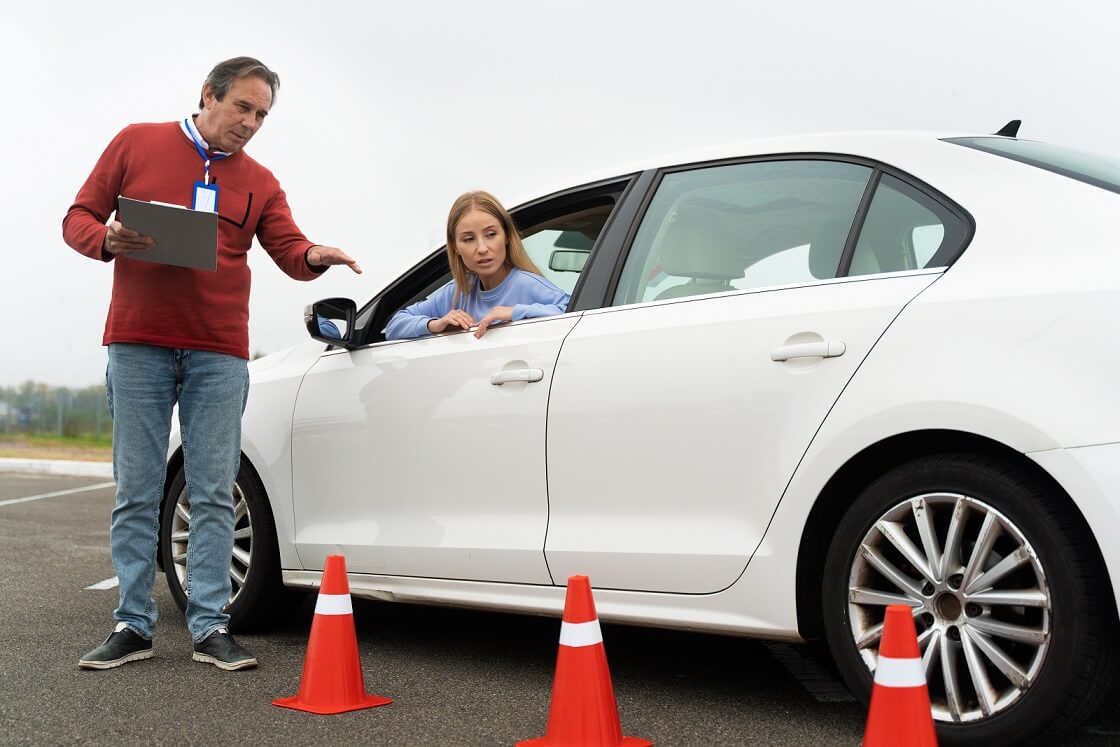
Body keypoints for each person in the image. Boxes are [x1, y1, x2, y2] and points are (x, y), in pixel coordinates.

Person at [63, 57, 361, 672]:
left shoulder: (260, 180)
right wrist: (107, 238)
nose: (250, 123)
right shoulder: (136, 142)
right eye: (242, 108)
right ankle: (132, 623)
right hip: (139, 344)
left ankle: (209, 625)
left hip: (219, 353)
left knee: (213, 492)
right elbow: (77, 219)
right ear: (208, 95)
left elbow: (288, 248)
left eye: (262, 115)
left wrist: (315, 255)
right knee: (139, 490)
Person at [385, 191, 570, 340]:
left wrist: (513, 312)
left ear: (506, 236)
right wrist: (435, 325)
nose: (482, 248)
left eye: (490, 234)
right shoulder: (457, 292)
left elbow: (575, 311)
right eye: (468, 239)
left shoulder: (527, 283)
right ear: (456, 247)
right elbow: (394, 326)